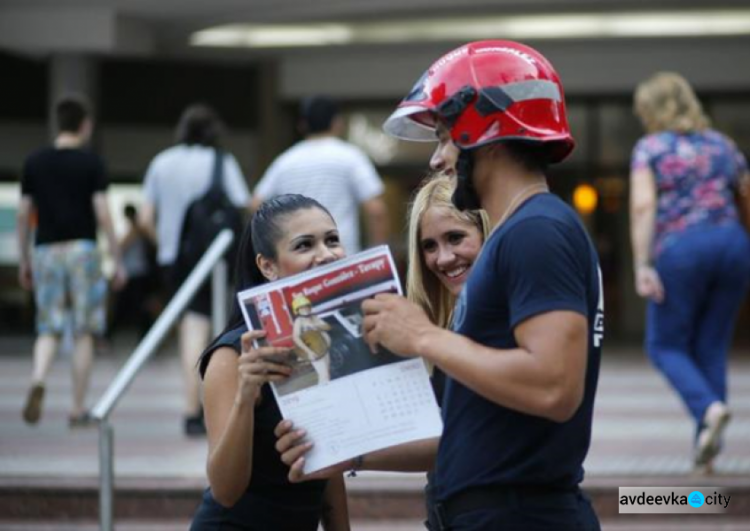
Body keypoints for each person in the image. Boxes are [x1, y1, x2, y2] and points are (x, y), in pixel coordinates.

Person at [338, 40, 603, 530]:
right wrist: (348, 454)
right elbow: (461, 428)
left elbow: (554, 386)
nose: (438, 159)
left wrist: (422, 337)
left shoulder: (536, 231)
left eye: (444, 137)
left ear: (489, 134)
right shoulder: (522, 233)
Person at [274, 174, 489, 528]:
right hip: (453, 510)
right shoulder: (455, 318)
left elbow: (465, 440)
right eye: (429, 246)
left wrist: (351, 457)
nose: (444, 258)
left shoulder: (493, 319)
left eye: (456, 238)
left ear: (487, 232)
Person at [190, 194, 349, 531]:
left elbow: (329, 457)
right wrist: (245, 397)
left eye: (332, 240)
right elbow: (225, 491)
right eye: (304, 245)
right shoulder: (233, 355)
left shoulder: (329, 336)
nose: (325, 255)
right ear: (268, 266)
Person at [629, 72, 750, 474]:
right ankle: (708, 453)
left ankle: (708, 409)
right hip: (732, 245)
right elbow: (745, 194)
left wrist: (642, 264)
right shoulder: (723, 145)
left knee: (664, 345)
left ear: (650, 110)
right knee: (711, 346)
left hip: (682, 249)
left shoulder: (651, 148)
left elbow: (644, 207)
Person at [140, 103, 251, 436]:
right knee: (218, 326)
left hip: (176, 260)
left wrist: (167, 246)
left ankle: (191, 410)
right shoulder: (221, 162)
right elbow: (243, 203)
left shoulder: (162, 162)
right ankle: (216, 405)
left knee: (191, 327)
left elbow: (145, 219)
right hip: (215, 258)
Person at [17, 95, 126, 427]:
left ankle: (38, 377)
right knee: (83, 332)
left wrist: (24, 258)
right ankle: (77, 409)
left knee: (48, 327)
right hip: (83, 251)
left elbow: (24, 214)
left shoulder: (34, 162)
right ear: (85, 125)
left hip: (46, 250)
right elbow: (103, 213)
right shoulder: (92, 163)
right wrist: (116, 257)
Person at [251, 95, 389, 254]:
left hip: (298, 257)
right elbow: (376, 210)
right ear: (337, 123)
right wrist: (377, 255)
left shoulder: (284, 161)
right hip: (340, 255)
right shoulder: (351, 157)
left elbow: (255, 204)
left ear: (302, 125)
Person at [112, 204, 157, 338]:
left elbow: (120, 247)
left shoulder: (136, 229)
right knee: (138, 305)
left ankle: (144, 334)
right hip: (138, 271)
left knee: (136, 305)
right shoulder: (140, 229)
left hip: (136, 272)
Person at [291, 294, 332, 384]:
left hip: (324, 349)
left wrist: (317, 326)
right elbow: (295, 337)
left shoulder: (314, 317)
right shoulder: (299, 321)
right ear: (297, 310)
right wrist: (309, 352)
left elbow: (328, 327)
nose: (305, 309)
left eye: (306, 307)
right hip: (314, 351)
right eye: (302, 308)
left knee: (327, 373)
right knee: (324, 375)